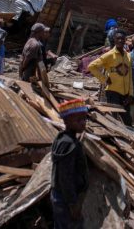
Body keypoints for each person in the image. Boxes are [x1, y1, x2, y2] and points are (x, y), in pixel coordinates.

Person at [51, 98, 89, 229]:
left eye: (84, 119)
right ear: (66, 121)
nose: (83, 123)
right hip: (66, 199)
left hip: (63, 197)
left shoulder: (64, 139)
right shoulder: (69, 144)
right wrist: (73, 204)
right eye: (79, 120)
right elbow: (65, 177)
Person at [88, 29, 134, 125]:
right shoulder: (109, 55)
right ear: (114, 40)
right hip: (113, 92)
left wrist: (131, 94)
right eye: (118, 39)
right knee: (114, 120)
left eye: (122, 39)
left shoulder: (128, 56)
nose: (120, 41)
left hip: (125, 94)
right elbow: (92, 66)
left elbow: (129, 76)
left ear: (125, 40)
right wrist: (104, 79)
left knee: (127, 121)